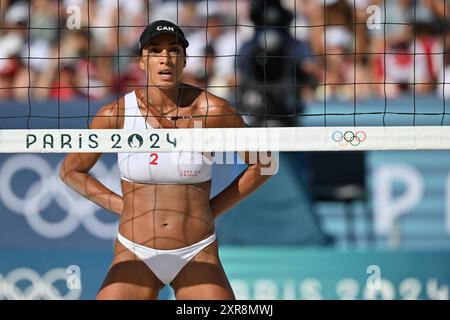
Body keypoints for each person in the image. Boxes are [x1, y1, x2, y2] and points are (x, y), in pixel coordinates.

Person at [59, 20, 275, 300]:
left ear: (184, 60)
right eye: (155, 51)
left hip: (196, 250)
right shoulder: (116, 114)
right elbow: (70, 171)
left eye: (173, 50)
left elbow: (266, 163)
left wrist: (213, 209)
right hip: (135, 249)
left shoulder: (212, 110)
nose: (165, 58)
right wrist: (124, 207)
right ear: (141, 61)